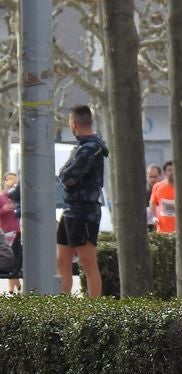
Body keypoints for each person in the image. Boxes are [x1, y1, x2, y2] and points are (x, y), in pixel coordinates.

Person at [57, 105, 110, 298]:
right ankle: (62, 304)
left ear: (73, 124)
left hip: (84, 212)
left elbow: (68, 176)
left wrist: (63, 174)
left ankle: (93, 309)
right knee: (62, 261)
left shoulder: (91, 148)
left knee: (87, 263)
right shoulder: (81, 147)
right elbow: (65, 174)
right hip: (70, 210)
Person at [149, 160, 176, 234]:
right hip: (162, 230)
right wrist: (154, 217)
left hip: (179, 231)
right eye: (169, 170)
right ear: (164, 173)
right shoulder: (157, 186)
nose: (172, 172)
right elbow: (152, 204)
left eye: (174, 170)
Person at [145, 164, 162, 232]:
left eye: (155, 177)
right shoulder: (143, 194)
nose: (152, 179)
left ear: (160, 176)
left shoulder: (166, 190)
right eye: (150, 177)